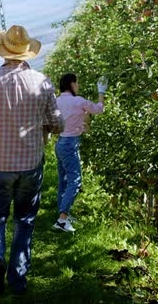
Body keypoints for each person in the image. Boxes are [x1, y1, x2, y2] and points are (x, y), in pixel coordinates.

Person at [0, 25, 64, 297]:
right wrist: (45, 126)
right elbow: (57, 123)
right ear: (27, 52)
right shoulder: (42, 82)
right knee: (25, 220)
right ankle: (18, 280)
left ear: (3, 51)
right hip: (31, 164)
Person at [53, 73, 107, 232]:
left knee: (63, 180)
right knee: (75, 181)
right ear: (71, 84)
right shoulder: (78, 101)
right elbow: (99, 109)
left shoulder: (56, 101)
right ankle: (62, 219)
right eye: (77, 83)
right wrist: (101, 92)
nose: (78, 86)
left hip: (60, 142)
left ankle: (63, 214)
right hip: (70, 144)